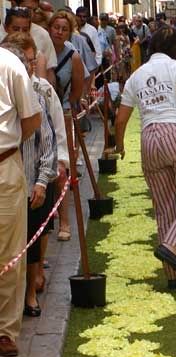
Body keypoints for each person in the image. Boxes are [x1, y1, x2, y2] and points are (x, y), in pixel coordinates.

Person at [110, 26, 176, 288]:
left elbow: (121, 117)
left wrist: (120, 145)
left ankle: (173, 276)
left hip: (149, 139)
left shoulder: (136, 75)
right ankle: (171, 246)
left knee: (165, 205)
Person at [2, 33, 57, 317]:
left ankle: (26, 300)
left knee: (24, 246)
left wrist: (41, 180)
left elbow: (45, 137)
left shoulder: (35, 92)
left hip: (20, 175)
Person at [0, 45, 42, 357]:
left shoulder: (9, 64)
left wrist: (8, 148)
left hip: (3, 166)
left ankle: (4, 330)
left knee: (8, 253)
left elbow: (31, 118)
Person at [48, 10, 85, 241]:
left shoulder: (73, 57)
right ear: (49, 28)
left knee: (62, 167)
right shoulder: (40, 51)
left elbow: (77, 90)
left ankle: (65, 221)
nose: (59, 32)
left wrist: (66, 111)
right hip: (41, 115)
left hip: (62, 112)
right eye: (56, 27)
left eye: (64, 28)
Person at [0, 1, 57, 85]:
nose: (20, 33)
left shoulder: (39, 56)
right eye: (15, 29)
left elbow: (47, 76)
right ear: (6, 28)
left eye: (25, 29)